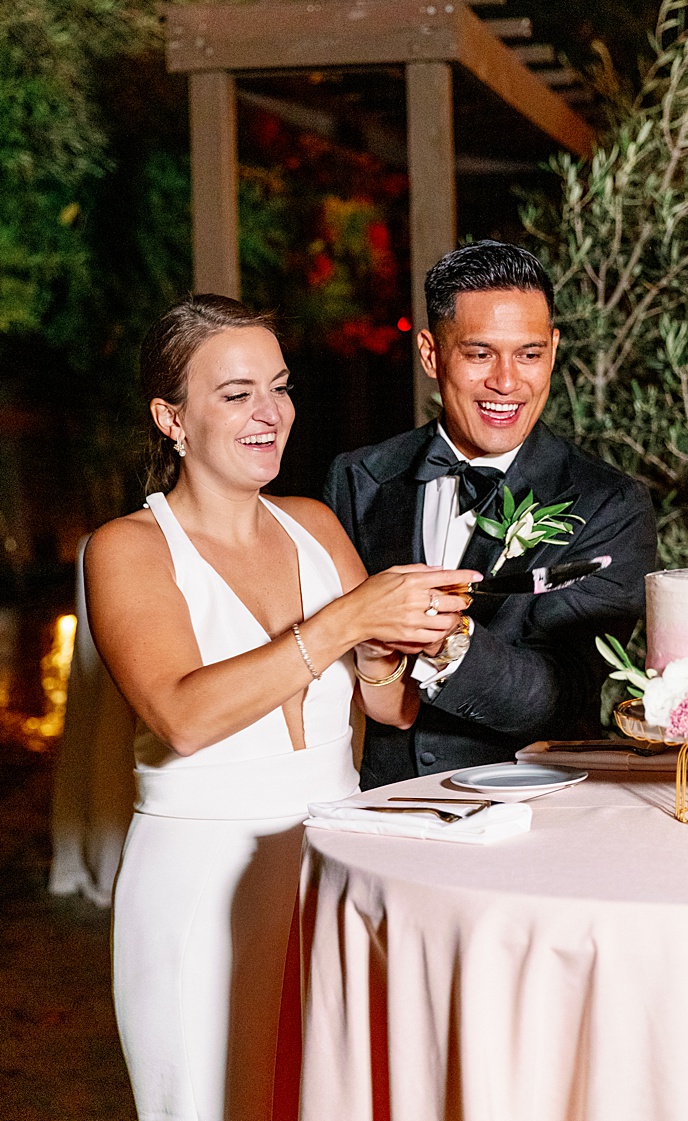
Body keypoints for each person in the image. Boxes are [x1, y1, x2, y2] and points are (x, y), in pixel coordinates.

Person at [84, 295, 479, 1121]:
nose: (272, 413)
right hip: (203, 883)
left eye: (280, 386)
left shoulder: (313, 523)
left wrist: (408, 648)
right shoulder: (129, 548)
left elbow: (387, 707)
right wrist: (345, 618)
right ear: (172, 417)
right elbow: (182, 716)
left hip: (334, 869)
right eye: (236, 395)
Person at [325, 240, 658, 788]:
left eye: (529, 354)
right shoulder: (358, 478)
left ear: (553, 349)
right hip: (381, 805)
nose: (507, 381)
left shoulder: (610, 504)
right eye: (480, 354)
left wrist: (442, 636)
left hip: (531, 813)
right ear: (431, 353)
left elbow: (566, 691)